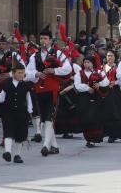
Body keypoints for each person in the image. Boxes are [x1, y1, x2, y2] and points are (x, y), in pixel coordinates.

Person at [26, 25, 72, 157]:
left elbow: (68, 69)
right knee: (44, 119)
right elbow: (27, 73)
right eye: (41, 38)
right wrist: (36, 74)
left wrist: (54, 70)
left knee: (48, 118)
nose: (43, 41)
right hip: (40, 91)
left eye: (45, 38)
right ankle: (55, 146)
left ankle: (46, 146)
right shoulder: (34, 56)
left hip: (53, 91)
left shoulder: (58, 54)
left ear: (51, 40)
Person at [0, 60, 32, 164]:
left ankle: (17, 155)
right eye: (19, 73)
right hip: (8, 112)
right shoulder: (6, 84)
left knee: (21, 135)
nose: (21, 75)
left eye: (23, 73)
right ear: (13, 73)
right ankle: (7, 152)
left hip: (22, 113)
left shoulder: (26, 85)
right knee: (8, 132)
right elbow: (1, 98)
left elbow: (29, 100)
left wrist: (30, 111)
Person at [74, 56, 109, 148]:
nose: (86, 64)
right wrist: (87, 88)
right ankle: (88, 138)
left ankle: (94, 139)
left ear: (93, 63)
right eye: (85, 62)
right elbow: (77, 85)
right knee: (86, 118)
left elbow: (106, 82)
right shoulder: (79, 73)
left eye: (88, 62)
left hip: (96, 98)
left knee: (96, 118)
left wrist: (99, 84)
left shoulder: (99, 72)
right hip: (84, 99)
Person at [102, 49, 121, 143]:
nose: (109, 57)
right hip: (105, 91)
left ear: (115, 57)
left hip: (115, 92)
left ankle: (114, 135)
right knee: (105, 113)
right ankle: (105, 133)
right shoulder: (102, 68)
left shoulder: (118, 68)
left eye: (111, 55)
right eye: (108, 56)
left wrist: (115, 82)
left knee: (115, 113)